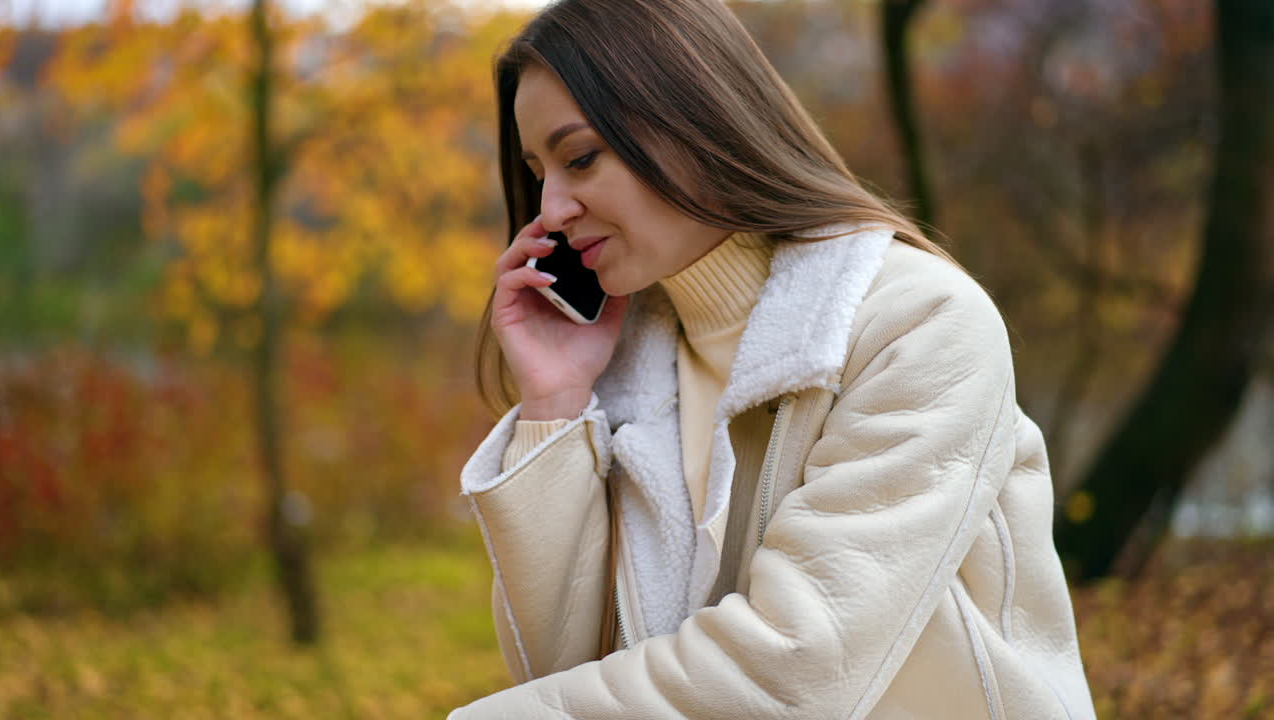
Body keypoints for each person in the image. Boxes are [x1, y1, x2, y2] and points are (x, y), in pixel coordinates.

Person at [452, 0, 1097, 717]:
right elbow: (564, 671)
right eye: (537, 172)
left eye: (579, 158)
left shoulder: (919, 324)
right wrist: (555, 403)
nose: (550, 208)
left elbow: (797, 666)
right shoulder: (629, 374)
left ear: (694, 119)